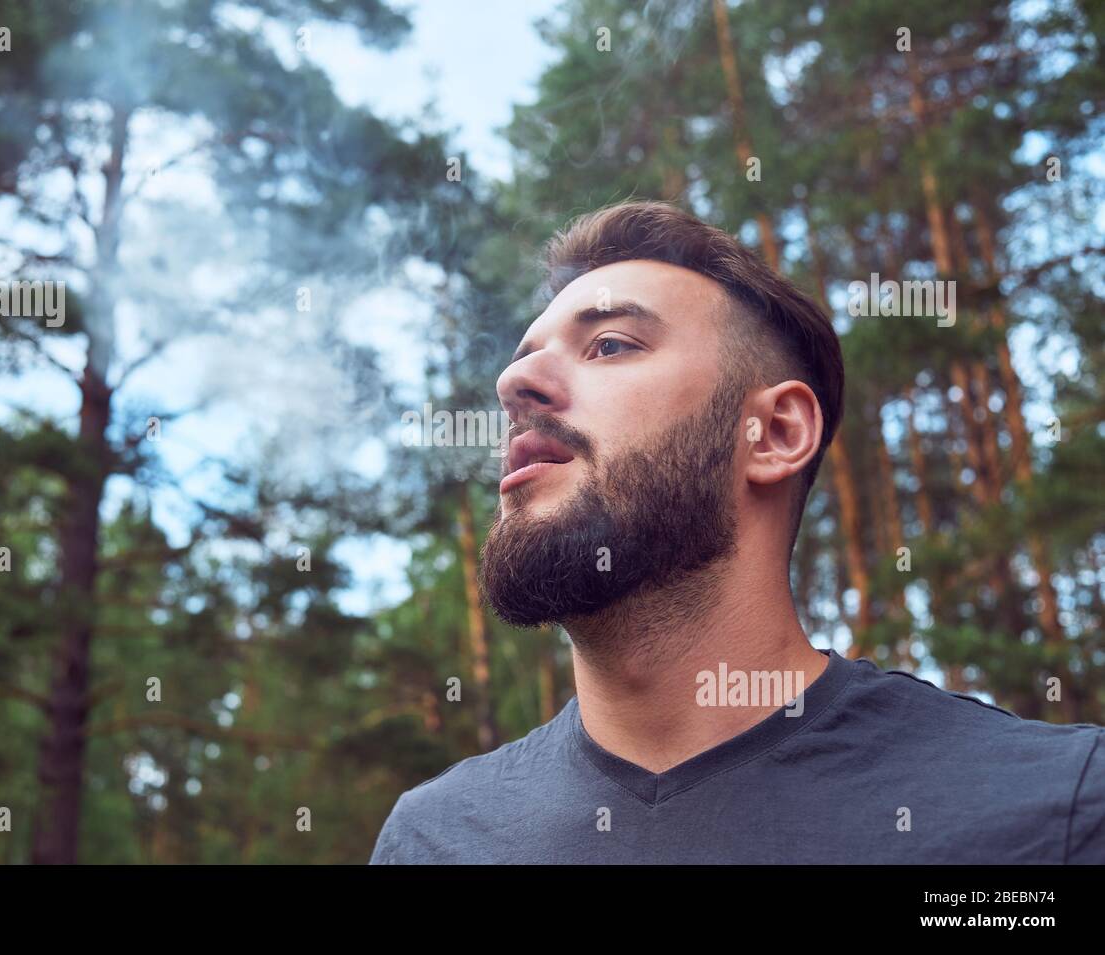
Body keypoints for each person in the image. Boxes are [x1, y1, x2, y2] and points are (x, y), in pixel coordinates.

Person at [368, 200, 1105, 864]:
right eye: (526, 355)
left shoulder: (1054, 811)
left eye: (611, 345)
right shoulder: (434, 839)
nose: (514, 383)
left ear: (775, 432)